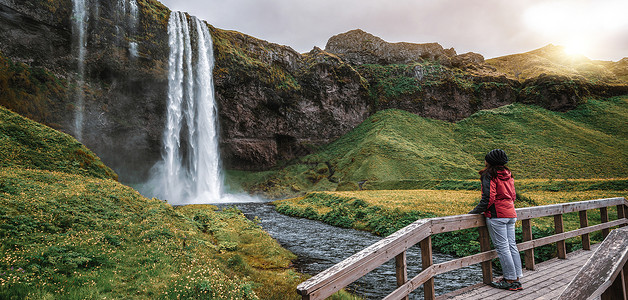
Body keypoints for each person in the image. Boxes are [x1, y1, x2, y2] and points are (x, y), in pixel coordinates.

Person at [469, 149, 523, 291]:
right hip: (511, 213)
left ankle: (510, 280)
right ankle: (516, 278)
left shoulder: (489, 174)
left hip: (497, 215)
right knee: (512, 245)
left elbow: (488, 198)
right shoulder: (508, 174)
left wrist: (474, 212)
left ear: (489, 162)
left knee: (503, 248)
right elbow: (513, 195)